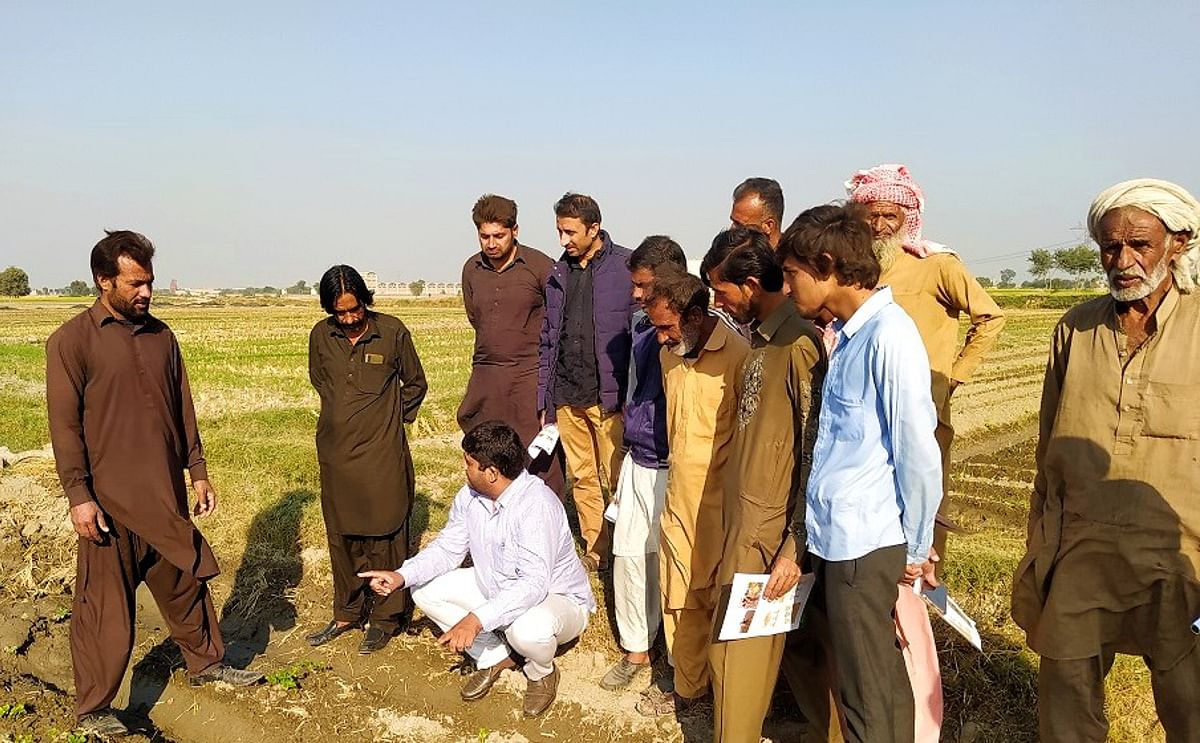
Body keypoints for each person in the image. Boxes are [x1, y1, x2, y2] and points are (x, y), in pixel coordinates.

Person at [46, 231, 262, 737]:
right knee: (105, 611)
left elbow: (182, 408)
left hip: (163, 495)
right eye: (135, 283)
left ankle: (208, 664)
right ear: (104, 282)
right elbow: (64, 427)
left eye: (149, 282)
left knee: (185, 584)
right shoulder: (71, 341)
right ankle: (94, 708)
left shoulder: (162, 337)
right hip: (110, 505)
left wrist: (199, 470)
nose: (146, 292)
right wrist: (79, 496)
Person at [1011, 179, 1200, 742]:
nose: (1123, 261)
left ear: (1179, 243)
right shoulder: (1075, 327)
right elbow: (1050, 449)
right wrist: (1040, 540)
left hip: (1181, 555)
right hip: (1082, 550)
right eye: (1110, 248)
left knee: (1190, 704)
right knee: (1065, 698)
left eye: (1140, 244)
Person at [779, 202, 943, 743]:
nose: (787, 289)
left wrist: (917, 550)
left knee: (866, 690)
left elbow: (918, 452)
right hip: (840, 538)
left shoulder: (888, 337)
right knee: (871, 679)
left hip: (864, 542)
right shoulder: (849, 336)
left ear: (826, 265)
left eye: (791, 275)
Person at [358, 421, 596, 718]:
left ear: (492, 473)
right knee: (424, 589)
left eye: (469, 463)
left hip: (555, 600)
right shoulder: (470, 496)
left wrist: (476, 619)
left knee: (528, 630)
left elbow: (534, 584)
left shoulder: (537, 505)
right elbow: (448, 549)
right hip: (496, 586)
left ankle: (541, 671)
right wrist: (401, 575)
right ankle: (497, 656)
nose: (464, 469)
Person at [845, 163, 1006, 569]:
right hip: (864, 407)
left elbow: (990, 317)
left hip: (924, 407)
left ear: (907, 220)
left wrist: (952, 377)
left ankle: (922, 588)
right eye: (872, 215)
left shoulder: (937, 264)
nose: (880, 225)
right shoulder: (853, 267)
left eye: (890, 216)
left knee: (924, 494)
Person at [701, 227, 826, 741]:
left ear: (751, 284)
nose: (716, 301)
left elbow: (816, 452)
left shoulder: (799, 343)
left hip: (770, 532)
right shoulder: (762, 340)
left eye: (720, 290)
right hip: (746, 522)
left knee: (738, 656)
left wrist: (793, 545)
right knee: (765, 652)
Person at [635, 273, 750, 717]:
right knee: (675, 593)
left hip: (719, 509)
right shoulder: (671, 356)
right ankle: (688, 685)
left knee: (706, 597)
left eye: (667, 328)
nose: (660, 338)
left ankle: (709, 691)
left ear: (697, 316)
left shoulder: (740, 358)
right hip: (677, 500)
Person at [306, 264, 428, 653]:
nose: (348, 318)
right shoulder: (321, 337)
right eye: (339, 313)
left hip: (382, 452)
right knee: (343, 535)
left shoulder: (391, 332)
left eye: (354, 309)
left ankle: (386, 616)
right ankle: (348, 611)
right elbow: (320, 380)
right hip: (336, 452)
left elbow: (416, 383)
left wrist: (391, 421)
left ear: (365, 301)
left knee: (385, 532)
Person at [600, 236, 685, 691]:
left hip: (678, 463)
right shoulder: (639, 324)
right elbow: (635, 388)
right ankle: (637, 648)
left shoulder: (698, 329)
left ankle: (675, 659)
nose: (635, 294)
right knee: (630, 554)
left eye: (645, 286)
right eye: (634, 285)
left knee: (672, 561)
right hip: (639, 456)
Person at [538, 192, 636, 570]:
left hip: (608, 397)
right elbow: (548, 338)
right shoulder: (558, 273)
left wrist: (631, 394)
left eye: (570, 232)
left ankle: (626, 547)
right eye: (559, 231)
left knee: (617, 477)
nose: (563, 240)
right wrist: (545, 396)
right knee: (582, 478)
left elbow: (637, 336)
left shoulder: (625, 267)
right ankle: (597, 548)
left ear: (594, 228)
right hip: (566, 394)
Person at [457, 194, 563, 494]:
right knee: (486, 448)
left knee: (537, 453)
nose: (491, 243)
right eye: (484, 236)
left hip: (528, 374)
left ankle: (545, 521)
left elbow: (557, 324)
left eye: (499, 236)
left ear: (514, 230)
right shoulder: (471, 269)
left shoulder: (540, 266)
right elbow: (475, 318)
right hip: (486, 374)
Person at [730, 177, 786, 248]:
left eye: (740, 225)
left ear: (768, 226)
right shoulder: (731, 255)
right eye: (733, 222)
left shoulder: (792, 257)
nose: (732, 229)